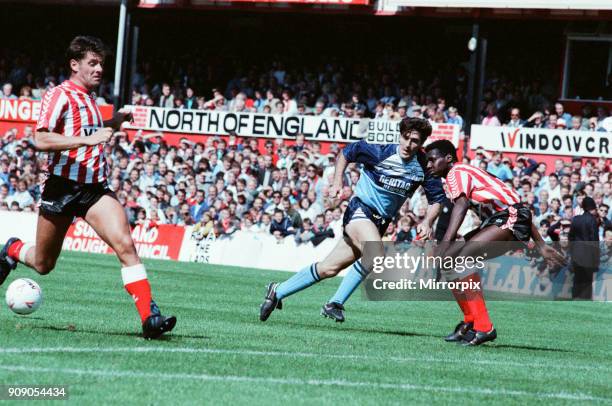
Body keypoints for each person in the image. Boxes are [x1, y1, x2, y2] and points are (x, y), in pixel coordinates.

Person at [0, 36, 176, 339]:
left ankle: (150, 318)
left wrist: (116, 120)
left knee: (126, 245)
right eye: (92, 63)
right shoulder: (59, 95)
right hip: (61, 188)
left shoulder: (92, 99)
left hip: (94, 189)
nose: (99, 69)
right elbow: (41, 139)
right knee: (43, 264)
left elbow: (92, 132)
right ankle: (13, 249)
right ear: (74, 64)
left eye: (101, 64)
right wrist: (86, 140)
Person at [259, 117, 446, 322]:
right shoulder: (379, 151)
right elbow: (346, 153)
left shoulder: (423, 166)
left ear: (422, 143)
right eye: (405, 138)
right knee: (376, 253)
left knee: (328, 268)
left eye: (415, 141)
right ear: (400, 135)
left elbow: (436, 199)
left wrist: (428, 221)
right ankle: (335, 303)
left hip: (380, 222)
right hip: (360, 210)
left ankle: (277, 291)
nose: (408, 145)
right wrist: (338, 180)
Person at [425, 140, 564, 346]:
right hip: (504, 219)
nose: (429, 164)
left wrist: (445, 242)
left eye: (432, 159)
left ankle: (484, 327)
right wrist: (540, 244)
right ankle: (470, 323)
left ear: (448, 159)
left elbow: (464, 206)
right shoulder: (452, 178)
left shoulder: (457, 172)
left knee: (462, 259)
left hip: (508, 218)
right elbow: (518, 207)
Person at [568, 197, 600, 299]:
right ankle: (584, 304)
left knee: (577, 281)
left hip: (576, 254)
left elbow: (570, 238)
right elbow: (594, 241)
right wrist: (596, 260)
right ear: (592, 207)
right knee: (586, 283)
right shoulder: (592, 220)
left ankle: (574, 301)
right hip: (588, 256)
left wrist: (572, 253)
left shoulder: (576, 219)